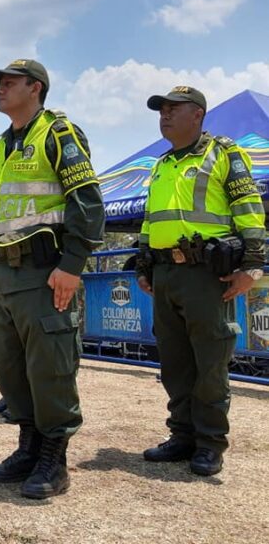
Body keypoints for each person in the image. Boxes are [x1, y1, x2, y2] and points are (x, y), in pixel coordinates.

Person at [0, 59, 104, 499]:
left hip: (43, 273)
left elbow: (87, 203)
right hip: (3, 275)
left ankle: (54, 459)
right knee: (12, 371)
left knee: (50, 368)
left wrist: (72, 265)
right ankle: (28, 447)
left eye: (8, 83)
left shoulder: (57, 133)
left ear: (36, 88)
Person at [136, 86, 266, 477]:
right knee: (175, 362)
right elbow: (149, 219)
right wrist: (144, 264)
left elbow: (248, 207)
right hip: (166, 274)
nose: (164, 115)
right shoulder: (160, 164)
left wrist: (254, 265)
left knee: (210, 362)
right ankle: (182, 436)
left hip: (208, 274)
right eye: (161, 109)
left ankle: (210, 443)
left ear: (198, 114)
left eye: (173, 109)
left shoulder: (224, 153)